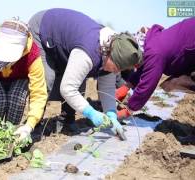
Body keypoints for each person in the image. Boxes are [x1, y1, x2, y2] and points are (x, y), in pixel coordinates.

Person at [28, 8, 143, 138]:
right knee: (46, 80)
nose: (117, 72)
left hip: (67, 44)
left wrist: (111, 113)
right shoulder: (89, 51)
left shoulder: (112, 49)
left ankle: (66, 120)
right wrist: (91, 112)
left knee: (79, 80)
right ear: (110, 55)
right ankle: (34, 125)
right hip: (43, 30)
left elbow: (108, 87)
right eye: (117, 67)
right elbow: (68, 89)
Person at [117, 17, 195, 116]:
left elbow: (147, 84)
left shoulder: (155, 52)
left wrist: (129, 109)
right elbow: (146, 65)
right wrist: (127, 86)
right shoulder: (152, 41)